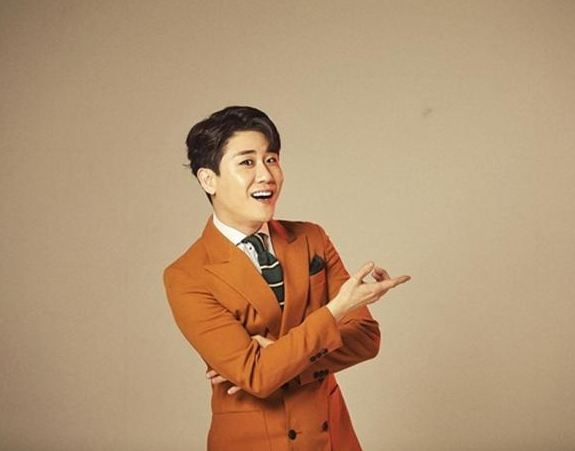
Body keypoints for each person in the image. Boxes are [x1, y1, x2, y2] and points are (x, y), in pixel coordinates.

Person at [163, 106, 411, 451]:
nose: (266, 174)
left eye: (272, 160)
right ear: (208, 179)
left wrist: (276, 357)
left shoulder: (311, 238)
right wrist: (335, 311)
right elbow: (258, 377)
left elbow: (366, 339)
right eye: (247, 162)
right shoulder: (186, 275)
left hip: (331, 438)